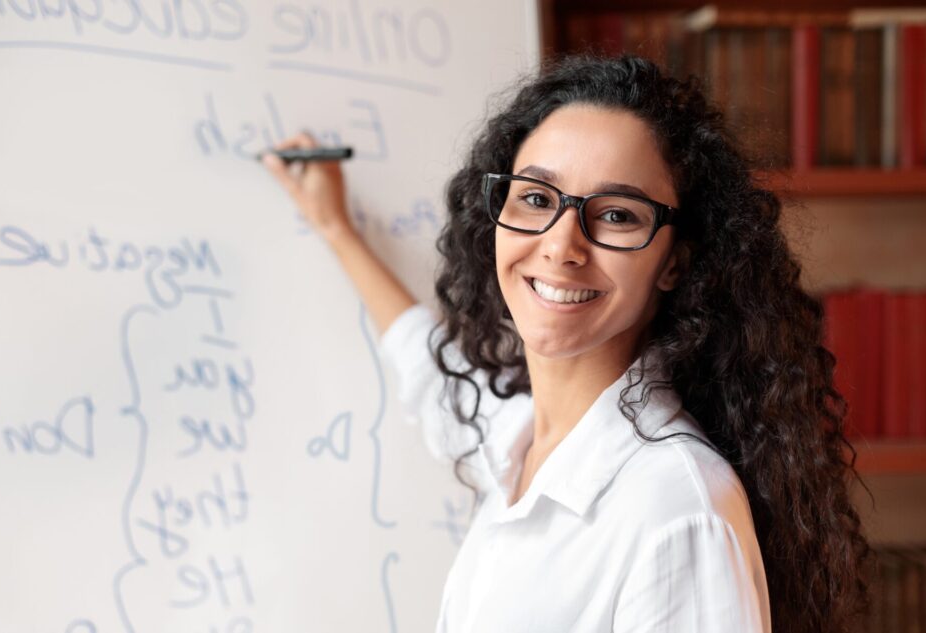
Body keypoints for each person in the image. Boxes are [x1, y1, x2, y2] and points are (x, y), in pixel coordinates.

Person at [262, 55, 871, 633]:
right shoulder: (518, 438)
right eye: (535, 198)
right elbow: (430, 374)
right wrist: (335, 228)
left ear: (674, 263)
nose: (560, 246)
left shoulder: (675, 507)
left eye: (617, 215)